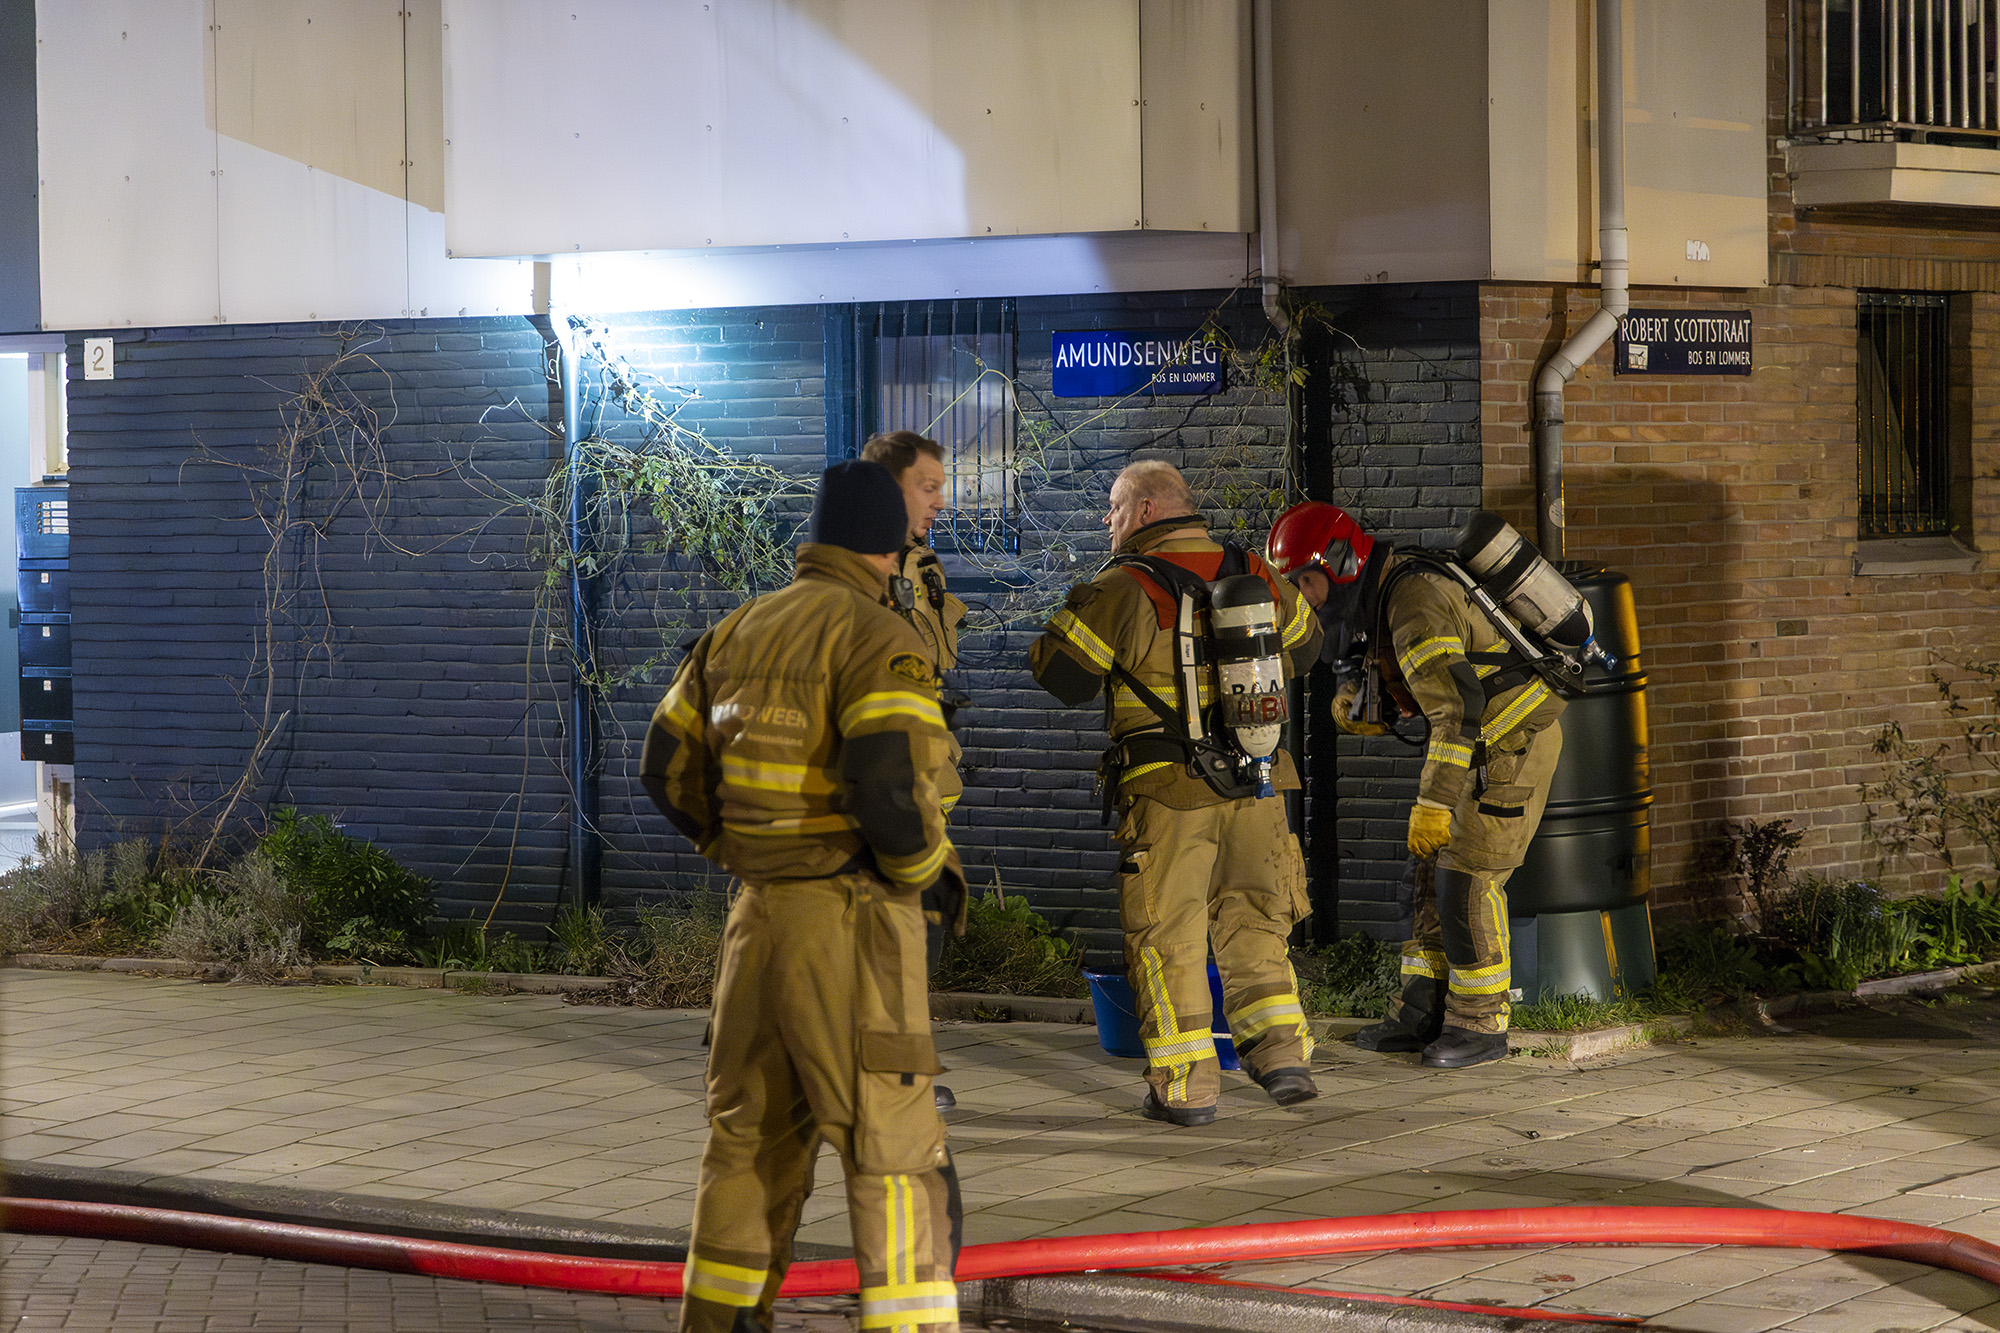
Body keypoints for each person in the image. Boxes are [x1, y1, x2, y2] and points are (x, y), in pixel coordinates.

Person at [640, 459, 966, 1333]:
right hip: (849, 922)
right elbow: (893, 789)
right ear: (889, 548)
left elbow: (664, 767)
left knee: (746, 1138)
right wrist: (922, 874)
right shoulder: (875, 635)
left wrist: (735, 847)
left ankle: (717, 1322)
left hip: (756, 922)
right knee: (890, 1145)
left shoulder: (737, 629)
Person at [1028, 460, 1323, 1126]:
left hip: (1168, 795)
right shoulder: (1254, 568)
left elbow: (1061, 675)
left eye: (1114, 507)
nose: (1108, 520)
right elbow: (1308, 646)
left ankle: (1188, 1090)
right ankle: (1283, 1058)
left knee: (1171, 937)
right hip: (1261, 785)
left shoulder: (1123, 585)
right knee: (1255, 923)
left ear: (1146, 509)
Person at [1264, 501, 1565, 1070]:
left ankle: (1480, 1024)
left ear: (1338, 562)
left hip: (1509, 748)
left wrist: (1433, 805)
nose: (1301, 597)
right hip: (1473, 746)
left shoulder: (1414, 604)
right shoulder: (1378, 601)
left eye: (1305, 581)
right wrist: (1366, 702)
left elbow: (1457, 711)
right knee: (1423, 881)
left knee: (1467, 881)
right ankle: (1420, 1011)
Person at [859, 431, 969, 1113]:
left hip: (926, 780)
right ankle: (885, 1072)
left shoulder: (921, 567)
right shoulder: (855, 571)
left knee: (914, 927)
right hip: (882, 784)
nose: (941, 496)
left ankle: (896, 1067)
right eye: (927, 483)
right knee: (890, 930)